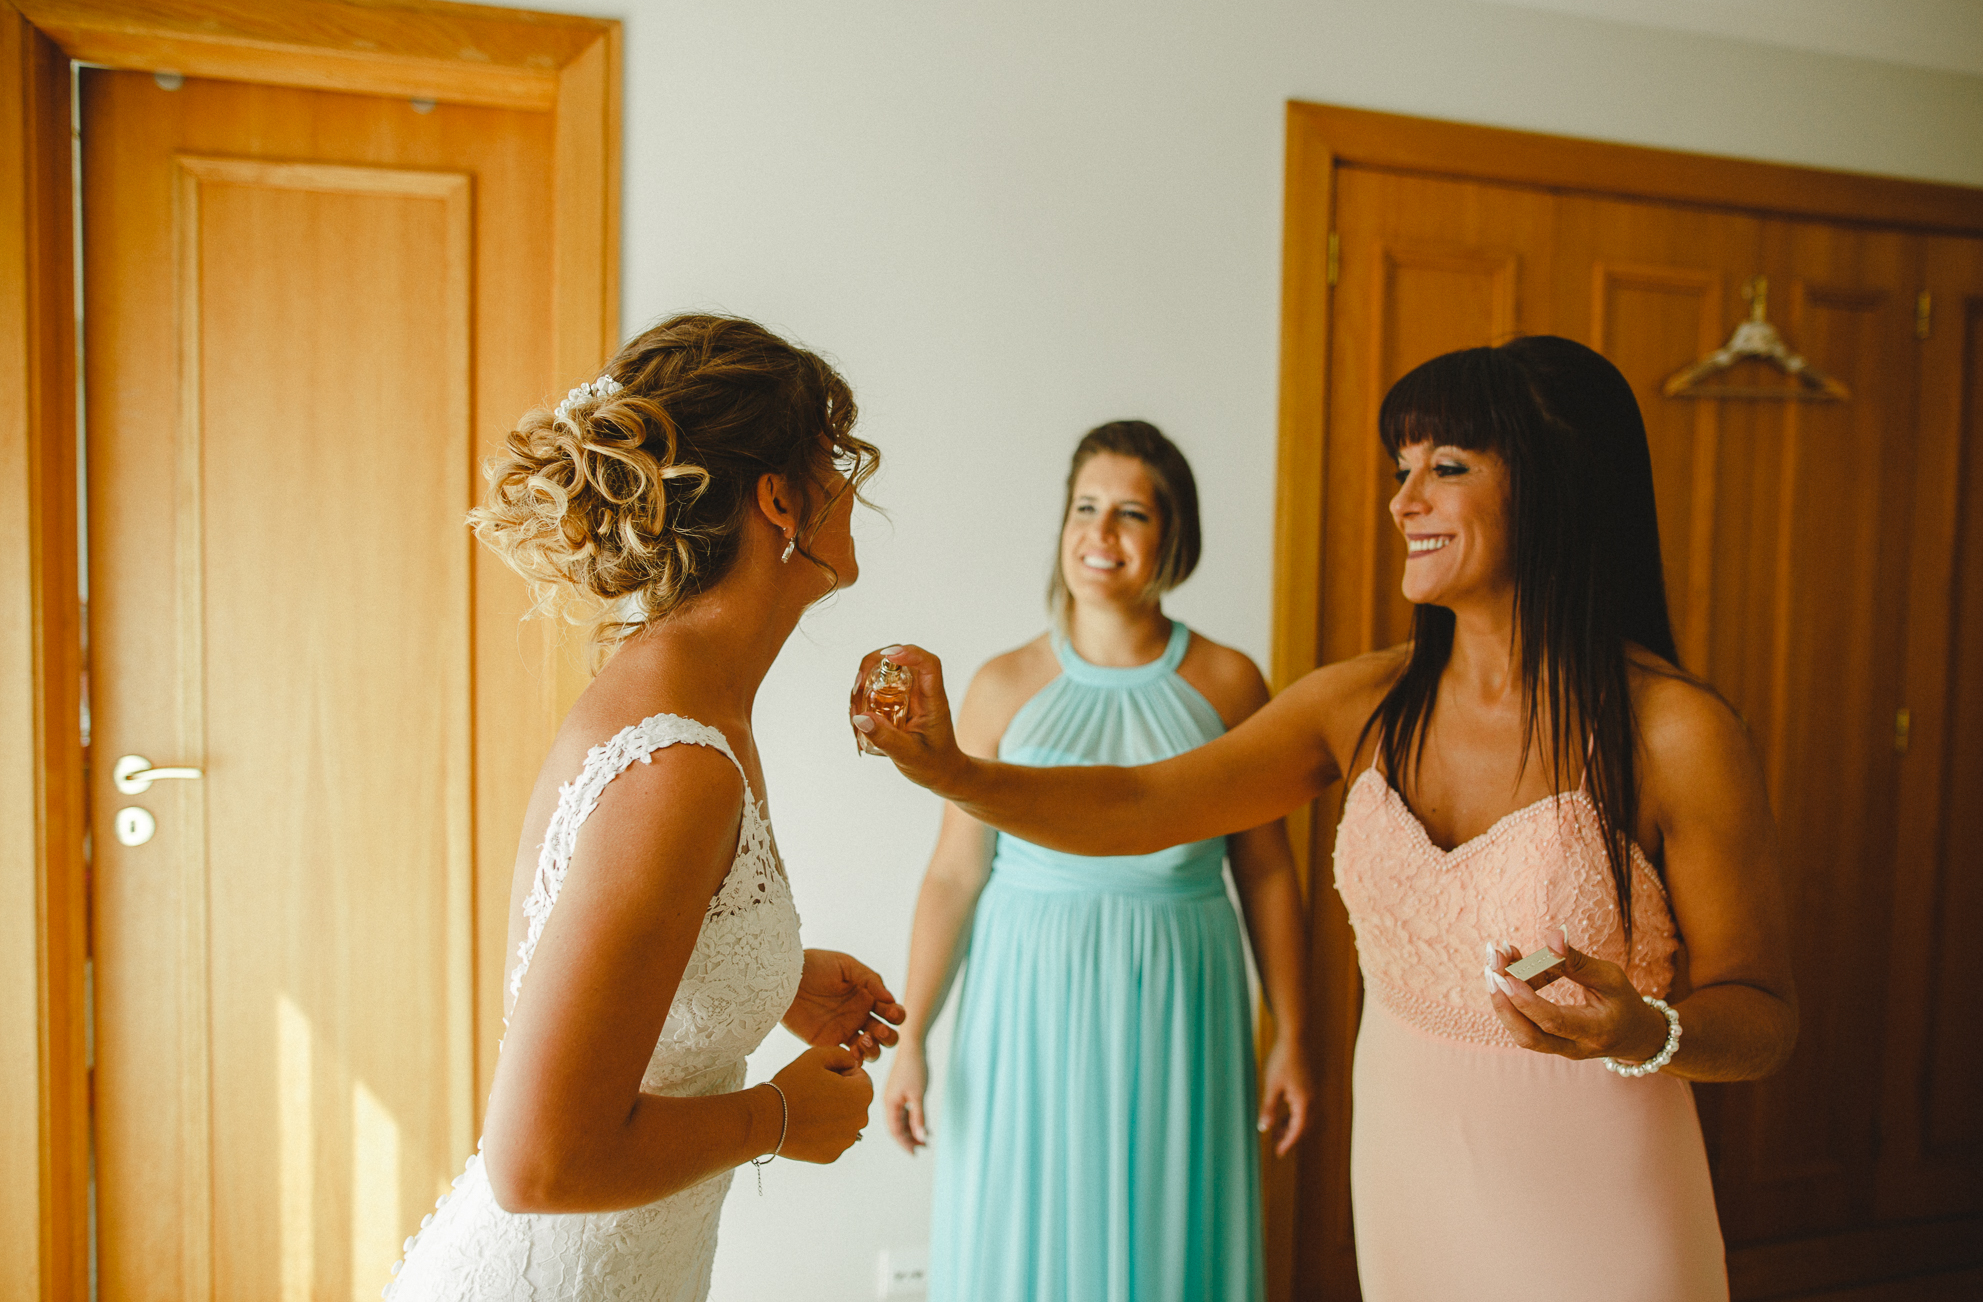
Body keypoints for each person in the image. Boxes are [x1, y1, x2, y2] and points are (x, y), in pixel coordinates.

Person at [851, 337, 1798, 1302]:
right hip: (1406, 1177)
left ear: (1554, 487)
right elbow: (1140, 805)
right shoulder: (1361, 704)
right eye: (1403, 469)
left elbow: (1761, 1016)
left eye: (1446, 468)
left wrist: (1640, 1030)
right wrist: (953, 770)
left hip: (1597, 1191)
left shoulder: (1676, 732)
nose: (1403, 501)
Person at [387, 314, 904, 1302]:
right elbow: (538, 1163)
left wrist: (772, 977)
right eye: (832, 462)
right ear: (779, 501)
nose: (851, 488)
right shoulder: (678, 761)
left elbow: (647, 956)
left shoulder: (689, 694)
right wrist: (778, 1119)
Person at [881, 421, 1311, 1302]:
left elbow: (1266, 870)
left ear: (1173, 536)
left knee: (1169, 1226)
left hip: (1182, 991)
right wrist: (912, 1035)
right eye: (1085, 507)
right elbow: (955, 875)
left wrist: (1295, 1034)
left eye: (1129, 513)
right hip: (1025, 994)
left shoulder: (1231, 685)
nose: (1099, 533)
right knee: (1024, 1224)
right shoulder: (1003, 685)